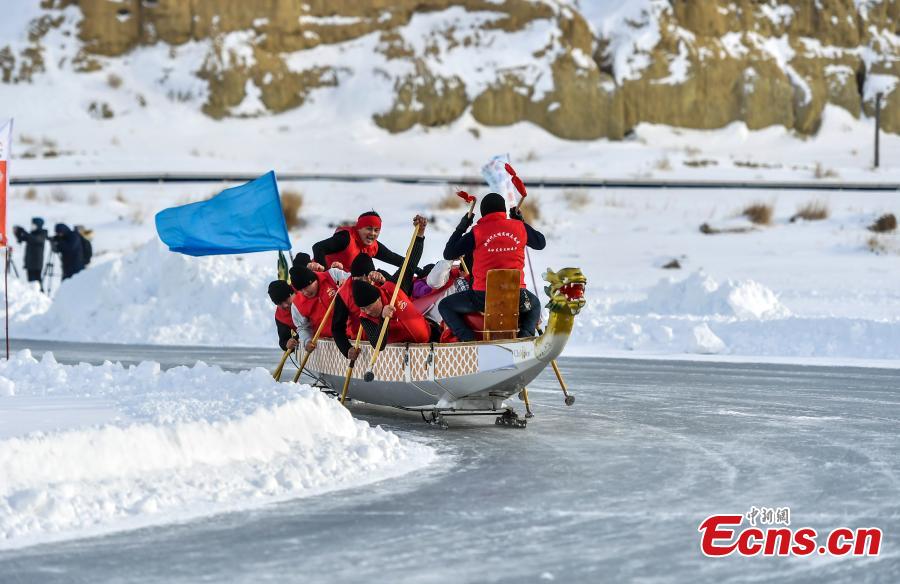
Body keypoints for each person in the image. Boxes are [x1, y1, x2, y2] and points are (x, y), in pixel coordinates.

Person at [439, 193, 546, 341]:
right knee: (535, 305)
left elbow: (449, 253)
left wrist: (463, 225)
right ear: (503, 210)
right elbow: (541, 243)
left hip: (482, 298)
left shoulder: (477, 232)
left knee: (445, 306)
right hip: (516, 296)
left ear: (483, 213)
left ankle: (469, 340)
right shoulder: (519, 227)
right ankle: (525, 339)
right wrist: (520, 220)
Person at [312, 211, 424, 273]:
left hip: (346, 285)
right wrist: (324, 273)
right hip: (326, 280)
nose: (373, 233)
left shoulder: (374, 246)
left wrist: (419, 271)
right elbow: (318, 247)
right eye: (369, 229)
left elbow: (396, 259)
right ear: (359, 228)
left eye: (376, 230)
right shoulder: (345, 238)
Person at [350, 279, 436, 355]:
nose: (367, 312)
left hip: (432, 338)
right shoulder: (365, 318)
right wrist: (383, 319)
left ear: (378, 298)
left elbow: (410, 265)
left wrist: (383, 277)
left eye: (369, 307)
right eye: (363, 309)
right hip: (408, 354)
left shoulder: (392, 288)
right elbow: (378, 345)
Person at [288, 263, 349, 353]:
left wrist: (346, 284)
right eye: (300, 290)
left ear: (313, 280)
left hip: (351, 338)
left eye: (306, 287)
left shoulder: (333, 276)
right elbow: (303, 327)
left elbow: (354, 282)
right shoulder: (297, 304)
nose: (305, 292)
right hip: (326, 344)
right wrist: (307, 341)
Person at [12, 217, 48, 290]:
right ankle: (33, 296)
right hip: (29, 262)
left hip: (36, 263)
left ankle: (41, 296)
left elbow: (35, 239)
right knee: (31, 282)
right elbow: (22, 239)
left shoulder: (42, 233)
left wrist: (24, 232)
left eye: (34, 224)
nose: (32, 226)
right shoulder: (32, 233)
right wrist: (18, 233)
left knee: (37, 282)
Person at [268, 280, 298, 351]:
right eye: (280, 303)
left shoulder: (303, 286)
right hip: (311, 341)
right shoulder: (280, 317)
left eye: (286, 300)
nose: (285, 305)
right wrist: (287, 344)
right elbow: (283, 341)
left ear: (291, 293)